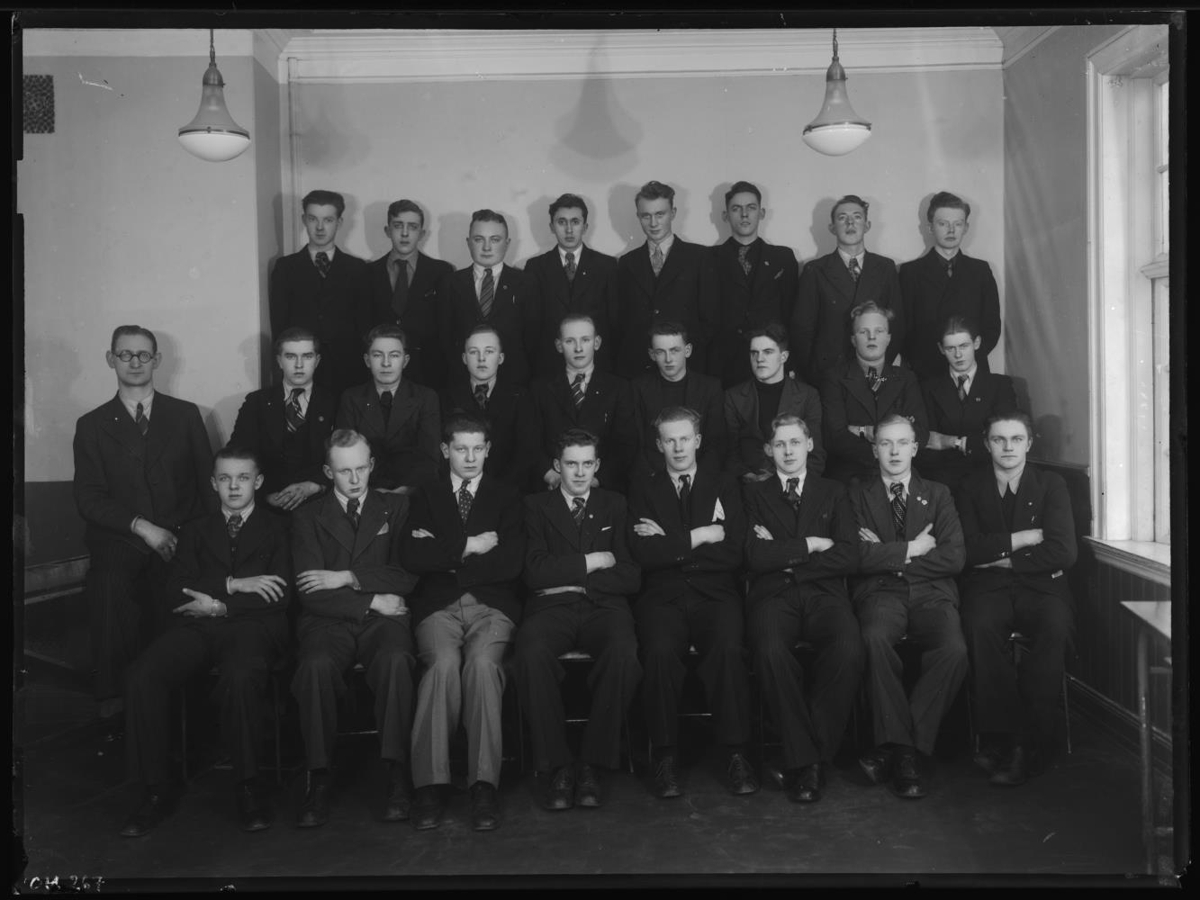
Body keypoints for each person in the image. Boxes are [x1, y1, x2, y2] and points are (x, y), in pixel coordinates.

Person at [120, 448, 291, 837]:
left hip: (253, 627)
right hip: (198, 627)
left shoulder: (279, 527)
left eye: (243, 478)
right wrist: (234, 584)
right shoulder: (195, 529)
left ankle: (248, 787)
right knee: (142, 675)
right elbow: (176, 590)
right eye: (225, 478)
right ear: (213, 483)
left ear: (258, 482)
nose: (234, 486)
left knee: (241, 675)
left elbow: (280, 595)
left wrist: (218, 604)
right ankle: (155, 790)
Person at [73, 325, 214, 728]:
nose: (134, 362)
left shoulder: (185, 415)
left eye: (143, 355)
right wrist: (141, 527)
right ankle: (116, 702)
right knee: (109, 586)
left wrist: (204, 543)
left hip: (180, 538)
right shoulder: (92, 424)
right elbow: (88, 498)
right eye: (125, 354)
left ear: (157, 360)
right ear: (110, 359)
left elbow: (206, 487)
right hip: (123, 540)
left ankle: (189, 708)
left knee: (186, 596)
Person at [400, 413, 525, 831]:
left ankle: (483, 784)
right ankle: (429, 785)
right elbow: (412, 556)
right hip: (438, 606)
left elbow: (511, 562)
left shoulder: (507, 496)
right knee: (441, 666)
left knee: (483, 667)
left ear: (488, 450)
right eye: (460, 449)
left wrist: (445, 554)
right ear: (445, 450)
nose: (469, 457)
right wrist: (470, 546)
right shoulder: (427, 495)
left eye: (477, 449)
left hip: (492, 606)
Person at [289, 430, 419, 828]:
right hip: (330, 621)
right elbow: (311, 591)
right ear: (328, 472)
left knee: (397, 660)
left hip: (384, 621)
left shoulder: (396, 506)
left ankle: (397, 772)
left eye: (361, 468)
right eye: (345, 471)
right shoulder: (307, 516)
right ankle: (319, 776)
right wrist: (372, 599)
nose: (355, 478)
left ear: (372, 465)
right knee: (314, 668)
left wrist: (346, 576)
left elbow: (407, 575)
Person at [628, 407, 757, 799]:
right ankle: (665, 755)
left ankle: (736, 753)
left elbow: (734, 551)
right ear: (659, 445)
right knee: (659, 652)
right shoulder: (645, 487)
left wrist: (671, 544)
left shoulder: (725, 484)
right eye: (670, 440)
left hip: (715, 593)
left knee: (728, 649)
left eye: (685, 438)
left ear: (698, 440)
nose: (679, 447)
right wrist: (700, 536)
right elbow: (643, 553)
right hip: (663, 596)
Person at [513, 429, 642, 811]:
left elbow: (631, 575)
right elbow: (533, 572)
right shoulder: (535, 506)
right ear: (557, 466)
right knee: (530, 652)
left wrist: (573, 578)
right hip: (551, 609)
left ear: (597, 465)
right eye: (572, 464)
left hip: (604, 607)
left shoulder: (615, 503)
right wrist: (594, 561)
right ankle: (558, 765)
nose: (580, 472)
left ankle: (592, 763)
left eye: (587, 463)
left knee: (624, 653)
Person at [744, 415, 863, 803]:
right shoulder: (754, 494)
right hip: (773, 596)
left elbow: (849, 554)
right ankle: (810, 762)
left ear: (810, 445)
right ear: (769, 450)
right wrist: (811, 544)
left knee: (848, 648)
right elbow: (754, 556)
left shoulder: (833, 491)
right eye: (780, 444)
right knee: (770, 651)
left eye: (795, 442)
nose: (788, 451)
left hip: (824, 594)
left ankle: (805, 757)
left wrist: (787, 559)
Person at [849, 414, 968, 800]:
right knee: (873, 638)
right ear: (874, 450)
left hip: (931, 593)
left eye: (903, 443)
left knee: (954, 650)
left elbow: (954, 557)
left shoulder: (938, 493)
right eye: (886, 443)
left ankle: (900, 748)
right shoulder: (857, 494)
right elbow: (855, 556)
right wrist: (912, 549)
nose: (895, 451)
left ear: (916, 448)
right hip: (881, 593)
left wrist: (888, 555)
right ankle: (908, 755)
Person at [956, 413, 1076, 786]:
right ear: (987, 443)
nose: (1008, 447)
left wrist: (1002, 558)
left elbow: (1064, 551)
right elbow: (968, 551)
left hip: (1041, 587)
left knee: (1054, 626)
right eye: (999, 439)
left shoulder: (1051, 484)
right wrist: (1024, 539)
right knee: (979, 625)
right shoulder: (969, 486)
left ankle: (1032, 741)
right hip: (988, 586)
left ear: (1029, 443)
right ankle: (999, 737)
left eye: (1016, 439)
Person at [790, 194, 904, 385]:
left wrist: (879, 368)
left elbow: (897, 325)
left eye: (857, 217)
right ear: (832, 228)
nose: (850, 222)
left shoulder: (885, 268)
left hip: (873, 374)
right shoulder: (815, 270)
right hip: (828, 375)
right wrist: (814, 375)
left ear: (867, 225)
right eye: (842, 218)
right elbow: (802, 330)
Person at [269, 190, 372, 396]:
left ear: (339, 222)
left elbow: (365, 324)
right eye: (313, 219)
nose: (320, 227)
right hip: (301, 367)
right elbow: (279, 325)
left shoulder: (358, 269)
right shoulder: (285, 268)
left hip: (347, 368)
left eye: (328, 220)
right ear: (303, 220)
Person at [615, 180, 718, 378]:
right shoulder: (627, 263)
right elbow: (622, 321)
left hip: (687, 368)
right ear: (638, 217)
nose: (653, 223)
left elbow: (710, 319)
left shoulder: (699, 258)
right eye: (646, 216)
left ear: (673, 213)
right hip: (639, 368)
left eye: (660, 214)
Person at [229, 327, 335, 515]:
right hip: (267, 506)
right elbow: (238, 457)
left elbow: (343, 458)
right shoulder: (256, 402)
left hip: (320, 506)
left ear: (317, 361)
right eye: (291, 357)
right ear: (279, 361)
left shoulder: (334, 401)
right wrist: (264, 495)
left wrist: (315, 485)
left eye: (307, 356)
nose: (299, 365)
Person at [821, 301, 928, 484]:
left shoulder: (905, 378)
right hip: (851, 475)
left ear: (888, 338)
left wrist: (862, 430)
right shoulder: (835, 378)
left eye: (879, 331)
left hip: (899, 473)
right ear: (853, 339)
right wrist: (890, 443)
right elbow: (835, 437)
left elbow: (921, 433)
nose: (872, 337)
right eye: (864, 332)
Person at [529, 314, 637, 495]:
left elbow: (626, 445)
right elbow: (531, 442)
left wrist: (596, 480)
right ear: (559, 345)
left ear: (597, 342)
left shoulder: (618, 388)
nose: (578, 348)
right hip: (552, 487)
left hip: (602, 489)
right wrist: (551, 476)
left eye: (585, 340)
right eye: (570, 341)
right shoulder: (540, 389)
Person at [900, 192, 1002, 380]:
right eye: (943, 224)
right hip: (926, 374)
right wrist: (923, 362)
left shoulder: (981, 271)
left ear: (966, 228)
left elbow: (992, 326)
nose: (951, 230)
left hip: (972, 371)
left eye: (958, 224)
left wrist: (967, 359)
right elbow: (903, 330)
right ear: (930, 227)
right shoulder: (910, 273)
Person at [710, 181, 801, 388]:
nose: (744, 215)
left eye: (751, 208)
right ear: (725, 215)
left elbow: (791, 315)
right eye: (736, 209)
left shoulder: (783, 258)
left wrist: (790, 362)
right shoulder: (709, 258)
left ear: (762, 213)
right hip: (725, 364)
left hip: (771, 362)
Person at [335, 324, 441, 493]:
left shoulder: (425, 398)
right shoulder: (351, 398)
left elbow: (430, 458)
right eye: (378, 355)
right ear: (367, 360)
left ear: (405, 361)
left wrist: (403, 491)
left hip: (412, 493)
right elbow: (344, 456)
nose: (386, 363)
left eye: (394, 355)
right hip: (363, 492)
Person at [919, 316, 1019, 493]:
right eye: (950, 348)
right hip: (944, 483)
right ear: (941, 349)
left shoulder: (1000, 385)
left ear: (977, 343)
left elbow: (1004, 440)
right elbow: (928, 445)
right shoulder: (928, 388)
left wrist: (953, 442)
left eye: (964, 346)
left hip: (990, 480)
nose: (958, 355)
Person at [525, 193, 621, 378]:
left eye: (575, 222)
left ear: (585, 227)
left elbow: (614, 322)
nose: (569, 230)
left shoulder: (606, 266)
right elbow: (533, 325)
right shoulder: (536, 267)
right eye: (561, 222)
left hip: (596, 363)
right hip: (550, 365)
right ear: (552, 227)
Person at [366, 199, 455, 390]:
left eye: (412, 227)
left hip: (428, 372)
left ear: (422, 233)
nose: (405, 233)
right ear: (387, 230)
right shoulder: (369, 273)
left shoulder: (441, 272)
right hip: (381, 372)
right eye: (398, 226)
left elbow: (446, 327)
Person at [440, 209, 533, 386]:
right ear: (468, 242)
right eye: (479, 239)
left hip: (514, 383)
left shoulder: (526, 283)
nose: (487, 247)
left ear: (507, 243)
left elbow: (531, 340)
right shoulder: (450, 283)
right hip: (462, 382)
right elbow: (445, 338)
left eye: (495, 240)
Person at [439, 325, 539, 490]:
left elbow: (526, 452)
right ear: (464, 358)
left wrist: (497, 490)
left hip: (507, 489)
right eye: (473, 352)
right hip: (458, 488)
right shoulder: (446, 397)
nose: (481, 359)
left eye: (489, 351)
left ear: (500, 358)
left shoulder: (521, 397)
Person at [724, 324, 825, 482]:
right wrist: (749, 477)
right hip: (748, 483)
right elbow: (730, 452)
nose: (759, 359)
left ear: (783, 357)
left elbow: (815, 454)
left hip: (795, 484)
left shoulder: (808, 395)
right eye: (754, 353)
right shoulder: (733, 396)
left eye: (768, 352)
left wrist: (790, 483)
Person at [630, 322, 726, 476]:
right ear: (652, 354)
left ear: (687, 351)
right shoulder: (638, 388)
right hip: (653, 476)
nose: (668, 359)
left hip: (700, 475)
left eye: (674, 350)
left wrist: (698, 478)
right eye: (660, 352)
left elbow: (715, 443)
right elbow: (637, 443)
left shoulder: (710, 388)